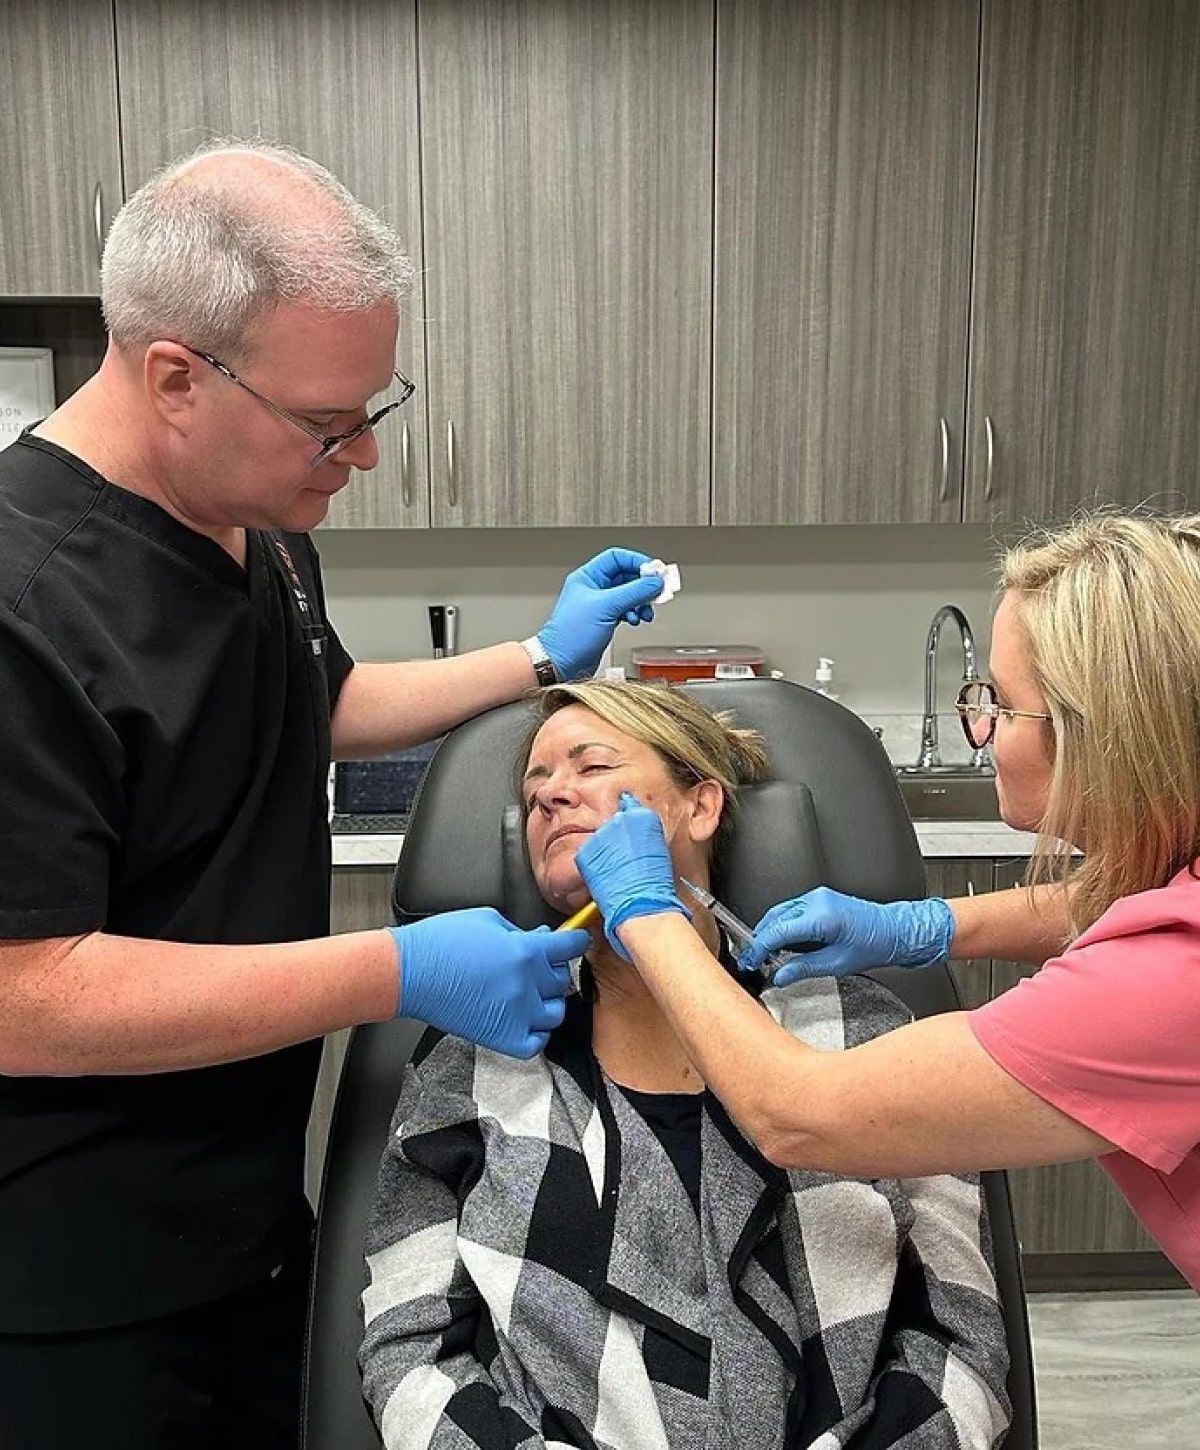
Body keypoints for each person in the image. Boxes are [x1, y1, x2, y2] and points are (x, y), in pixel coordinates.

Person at [0, 140, 665, 1448]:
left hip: (242, 1214)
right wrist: (397, 966)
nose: (358, 452)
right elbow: (24, 991)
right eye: (328, 421)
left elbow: (321, 700)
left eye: (376, 406)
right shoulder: (24, 600)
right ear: (176, 378)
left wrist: (542, 657)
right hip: (69, 1275)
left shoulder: (254, 509)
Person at [360, 681, 1011, 1449]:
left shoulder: (863, 1032)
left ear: (700, 807)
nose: (550, 797)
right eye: (535, 786)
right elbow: (409, 1351)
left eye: (590, 766)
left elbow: (960, 1340)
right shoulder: (477, 1057)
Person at [574, 512, 1200, 1295]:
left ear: (1106, 736)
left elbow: (798, 1113)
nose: (982, 730)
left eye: (1001, 706)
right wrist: (927, 926)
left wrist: (646, 910)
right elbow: (1134, 901)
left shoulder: (1172, 984)